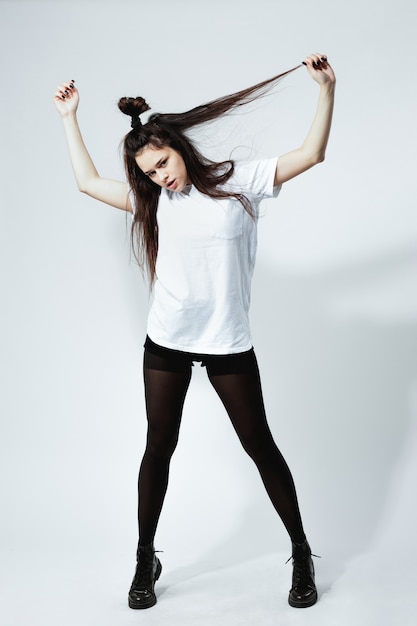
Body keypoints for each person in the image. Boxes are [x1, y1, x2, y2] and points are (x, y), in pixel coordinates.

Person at [53, 52, 335, 611]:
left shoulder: (238, 181)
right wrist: (70, 118)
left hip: (227, 341)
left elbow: (312, 154)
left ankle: (301, 552)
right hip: (168, 341)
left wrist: (326, 90)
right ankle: (144, 558)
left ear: (178, 147)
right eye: (151, 172)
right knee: (159, 447)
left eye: (164, 163)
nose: (162, 176)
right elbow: (87, 182)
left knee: (260, 446)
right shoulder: (152, 201)